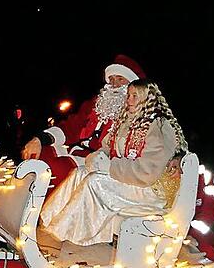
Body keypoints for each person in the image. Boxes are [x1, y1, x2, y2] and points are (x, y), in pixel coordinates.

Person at [40, 79, 188, 246]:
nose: (129, 100)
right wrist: (98, 157)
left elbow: (148, 172)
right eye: (129, 95)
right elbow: (109, 146)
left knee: (95, 182)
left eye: (135, 96)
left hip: (149, 189)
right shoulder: (128, 119)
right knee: (80, 173)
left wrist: (110, 168)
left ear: (148, 98)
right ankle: (47, 223)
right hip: (128, 179)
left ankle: (69, 238)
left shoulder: (159, 126)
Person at [21, 55, 146, 189]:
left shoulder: (138, 111)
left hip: (103, 161)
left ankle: (51, 208)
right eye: (111, 79)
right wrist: (40, 140)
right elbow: (72, 127)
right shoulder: (96, 104)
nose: (114, 85)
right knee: (38, 155)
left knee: (57, 169)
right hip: (78, 151)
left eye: (120, 79)